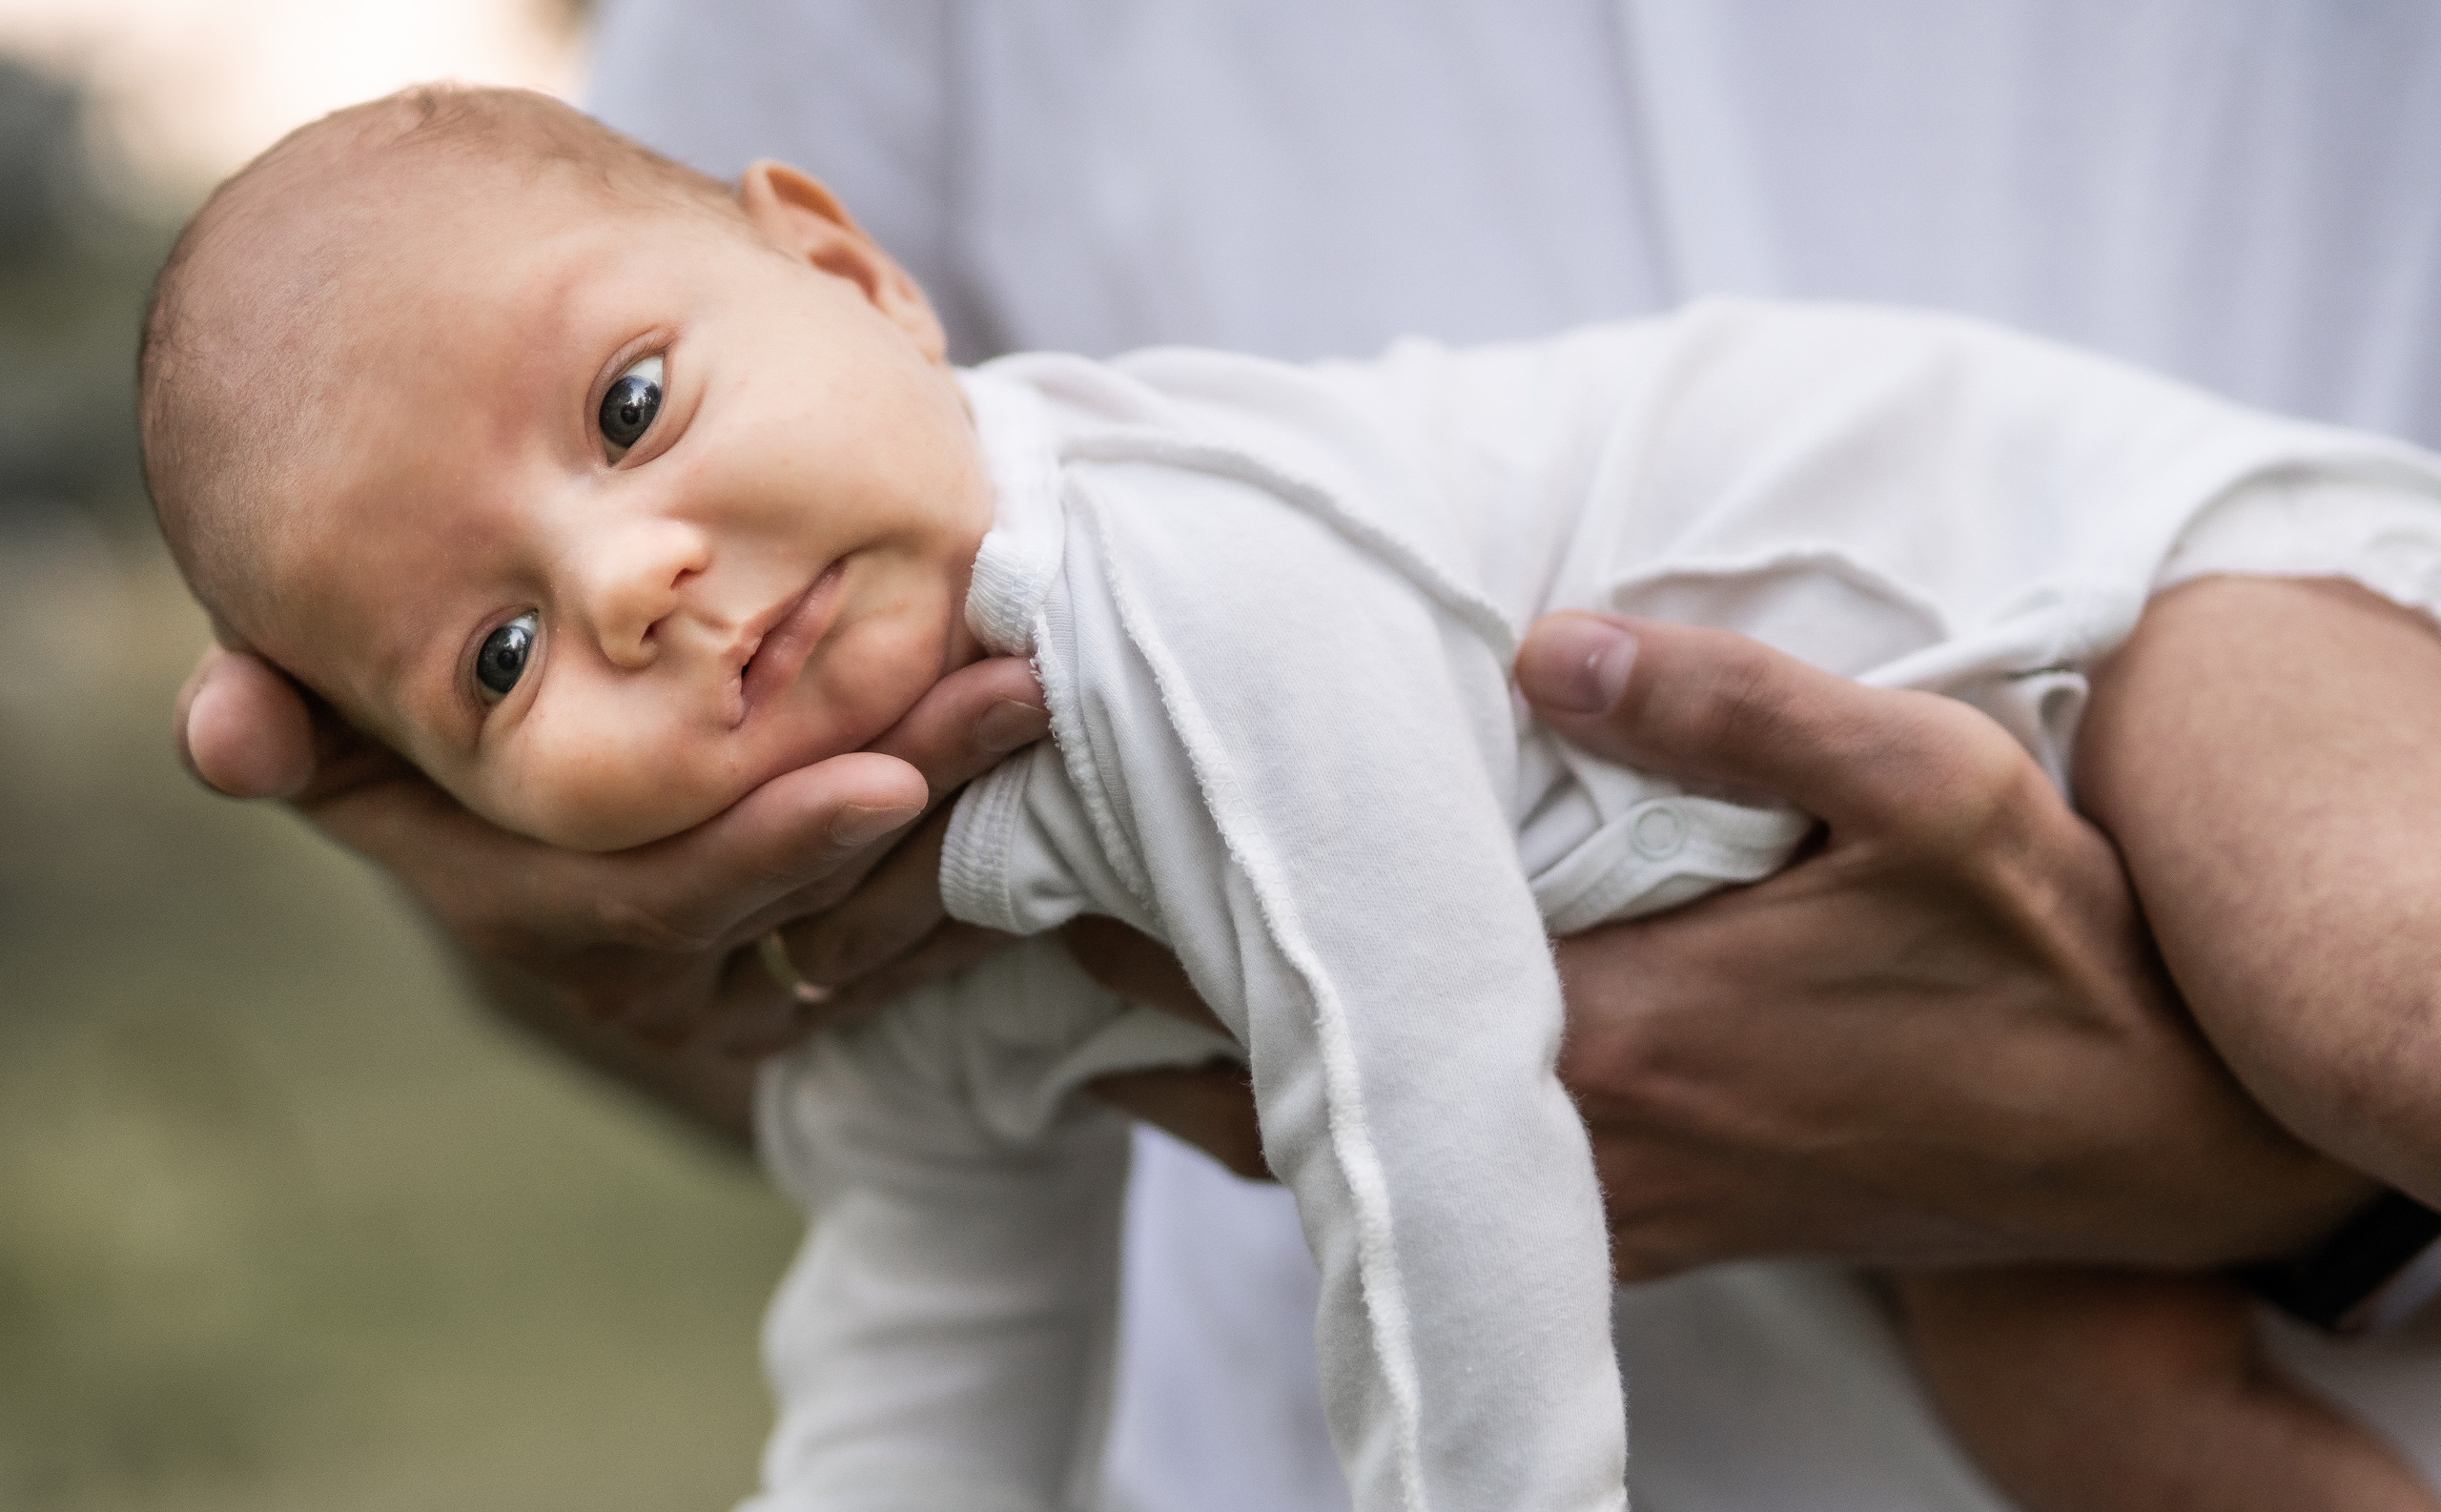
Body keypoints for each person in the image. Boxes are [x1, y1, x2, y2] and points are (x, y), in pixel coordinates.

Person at [173, 4, 2441, 1507]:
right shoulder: (879, 915)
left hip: (2115, 601)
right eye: (489, 657)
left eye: (630, 410)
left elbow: (1432, 1109)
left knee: (2366, 985)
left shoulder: (1179, 591)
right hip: (1879, 1144)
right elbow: (927, 1331)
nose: (628, 579)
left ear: (851, 280)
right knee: (2105, 1424)